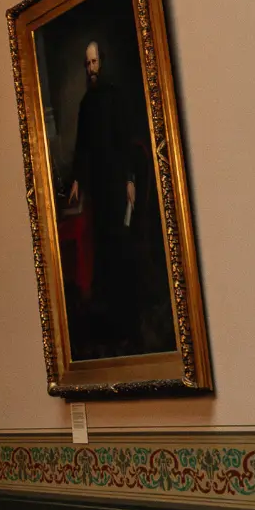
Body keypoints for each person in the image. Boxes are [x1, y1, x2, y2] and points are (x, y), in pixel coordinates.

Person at [63, 39, 148, 355]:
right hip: (99, 187)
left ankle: (130, 323)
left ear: (103, 62)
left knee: (123, 251)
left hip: (117, 182)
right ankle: (113, 327)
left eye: (94, 63)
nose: (91, 69)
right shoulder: (86, 104)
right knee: (105, 254)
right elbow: (82, 147)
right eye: (87, 64)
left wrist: (129, 179)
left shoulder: (115, 97)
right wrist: (76, 179)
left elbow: (126, 141)